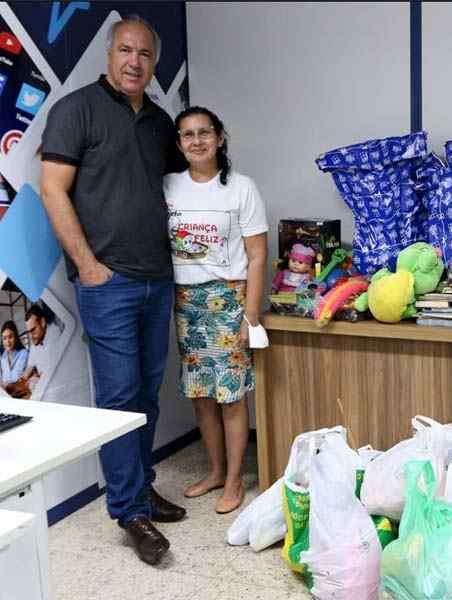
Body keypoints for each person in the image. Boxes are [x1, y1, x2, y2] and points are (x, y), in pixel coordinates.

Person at [39, 15, 188, 566]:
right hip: (109, 284)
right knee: (119, 399)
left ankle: (142, 489)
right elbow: (53, 191)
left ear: (153, 62)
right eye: (125, 50)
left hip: (157, 279)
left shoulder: (158, 121)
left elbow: (181, 185)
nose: (134, 62)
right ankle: (129, 512)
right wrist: (88, 266)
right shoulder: (75, 110)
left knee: (145, 396)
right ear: (109, 54)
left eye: (144, 55)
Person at [165, 106, 267, 514]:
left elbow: (257, 256)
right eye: (187, 135)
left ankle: (234, 480)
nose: (196, 141)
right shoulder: (168, 186)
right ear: (179, 143)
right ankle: (214, 470)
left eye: (204, 132)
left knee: (231, 396)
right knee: (201, 395)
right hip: (186, 303)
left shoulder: (241, 188)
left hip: (228, 302)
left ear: (220, 137)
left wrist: (251, 316)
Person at [0, 320, 28, 394]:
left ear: (15, 337)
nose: (8, 342)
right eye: (4, 338)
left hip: (22, 396)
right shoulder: (2, 359)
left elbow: (27, 379)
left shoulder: (24, 354)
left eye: (10, 337)